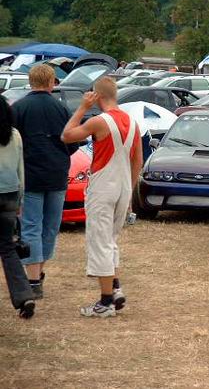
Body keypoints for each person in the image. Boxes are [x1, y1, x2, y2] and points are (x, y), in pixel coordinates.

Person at [62, 77, 143, 317]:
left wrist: (83, 108)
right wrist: (129, 190)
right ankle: (115, 289)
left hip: (103, 186)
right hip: (123, 185)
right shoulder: (132, 122)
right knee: (110, 240)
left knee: (99, 241)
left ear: (96, 95)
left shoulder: (99, 121)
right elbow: (137, 160)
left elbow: (66, 135)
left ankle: (105, 302)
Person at [12, 64, 77, 299]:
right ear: (52, 82)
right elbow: (73, 142)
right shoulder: (61, 109)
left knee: (30, 225)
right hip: (57, 175)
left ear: (31, 82)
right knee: (50, 226)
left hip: (30, 176)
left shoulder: (18, 108)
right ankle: (39, 273)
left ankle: (33, 278)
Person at [0, 96, 35, 319]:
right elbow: (20, 169)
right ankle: (24, 296)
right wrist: (20, 200)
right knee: (7, 248)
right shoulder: (14, 135)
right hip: (10, 194)